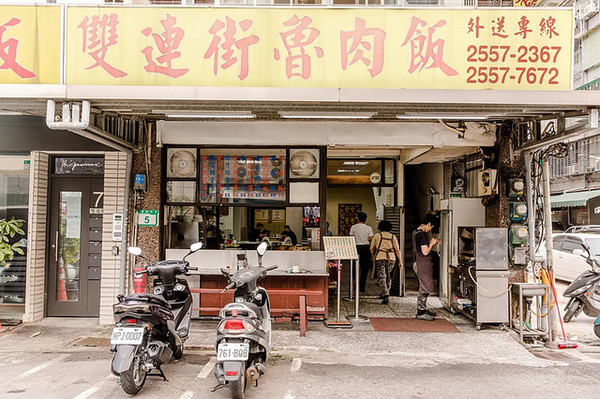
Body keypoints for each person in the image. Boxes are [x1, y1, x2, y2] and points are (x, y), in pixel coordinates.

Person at [412, 213, 440, 321]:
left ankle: (423, 309)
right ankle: (421, 311)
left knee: (424, 286)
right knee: (425, 287)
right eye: (431, 227)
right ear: (428, 224)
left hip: (417, 261)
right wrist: (432, 243)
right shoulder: (422, 234)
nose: (430, 229)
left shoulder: (415, 232)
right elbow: (425, 251)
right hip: (422, 263)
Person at [371, 220, 402, 304]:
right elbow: (397, 250)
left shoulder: (377, 235)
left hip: (380, 257)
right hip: (391, 258)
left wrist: (372, 255)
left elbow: (371, 248)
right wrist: (400, 261)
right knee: (389, 276)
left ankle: (385, 294)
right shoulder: (393, 236)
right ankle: (386, 292)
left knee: (382, 276)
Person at [349, 212, 374, 293]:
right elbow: (371, 238)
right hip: (366, 248)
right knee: (364, 269)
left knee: (354, 268)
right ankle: (362, 286)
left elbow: (351, 238)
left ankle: (355, 283)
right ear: (365, 219)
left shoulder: (353, 227)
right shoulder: (369, 228)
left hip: (356, 247)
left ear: (357, 218)